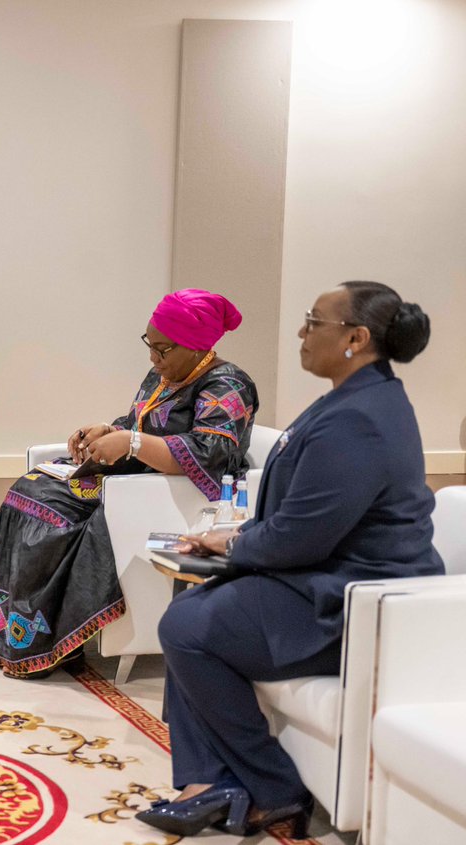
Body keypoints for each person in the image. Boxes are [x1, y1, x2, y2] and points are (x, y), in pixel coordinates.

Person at [136, 281, 443, 839]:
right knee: (197, 609)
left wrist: (231, 544)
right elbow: (305, 517)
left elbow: (299, 539)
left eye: (313, 321)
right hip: (326, 578)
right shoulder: (355, 397)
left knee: (188, 625)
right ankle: (209, 782)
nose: (301, 332)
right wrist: (236, 536)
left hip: (353, 600)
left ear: (356, 337)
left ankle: (274, 787)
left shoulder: (360, 418)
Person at [0, 289, 258, 678]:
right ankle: (19, 637)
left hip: (170, 493)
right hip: (134, 479)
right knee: (28, 490)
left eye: (163, 349)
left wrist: (131, 443)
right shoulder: (164, 375)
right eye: (150, 344)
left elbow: (211, 452)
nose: (153, 357)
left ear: (197, 348)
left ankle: (54, 639)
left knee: (54, 514)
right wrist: (107, 431)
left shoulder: (227, 385)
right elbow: (139, 424)